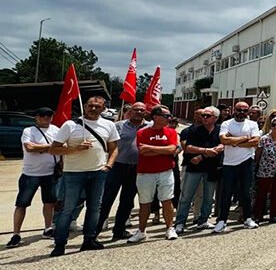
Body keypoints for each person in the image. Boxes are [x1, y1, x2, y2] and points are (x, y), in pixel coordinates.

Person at [49, 95, 119, 257]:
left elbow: (114, 148)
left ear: (103, 109)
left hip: (98, 172)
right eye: (90, 106)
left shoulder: (108, 125)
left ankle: (89, 239)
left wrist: (109, 165)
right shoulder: (70, 125)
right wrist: (75, 149)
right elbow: (53, 149)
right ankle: (60, 243)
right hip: (73, 173)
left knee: (95, 208)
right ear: (85, 106)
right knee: (67, 209)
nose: (93, 109)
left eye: (97, 106)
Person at [7, 108, 60, 248]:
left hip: (50, 173)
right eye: (42, 115)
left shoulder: (56, 129)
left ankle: (48, 228)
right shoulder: (28, 131)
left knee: (49, 202)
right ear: (36, 117)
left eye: (49, 115)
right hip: (31, 174)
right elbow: (30, 147)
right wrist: (52, 147)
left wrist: (43, 148)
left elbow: (63, 147)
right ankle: (16, 234)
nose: (46, 117)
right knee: (22, 204)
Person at [128, 105, 180, 242]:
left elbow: (171, 149)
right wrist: (163, 149)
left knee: (167, 200)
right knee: (145, 202)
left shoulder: (171, 132)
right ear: (156, 117)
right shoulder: (142, 133)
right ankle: (141, 231)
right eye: (166, 116)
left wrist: (152, 148)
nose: (169, 118)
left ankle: (169, 228)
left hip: (166, 171)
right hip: (145, 173)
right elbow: (143, 151)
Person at [98, 101, 147, 240]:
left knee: (127, 201)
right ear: (130, 111)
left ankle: (119, 230)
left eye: (141, 110)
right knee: (107, 199)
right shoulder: (118, 126)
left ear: (145, 112)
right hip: (117, 166)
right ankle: (95, 231)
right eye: (135, 109)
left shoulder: (149, 127)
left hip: (137, 169)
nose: (138, 112)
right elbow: (109, 144)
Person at [213, 101, 260, 233]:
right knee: (226, 193)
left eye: (245, 111)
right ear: (234, 110)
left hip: (247, 162)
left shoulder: (253, 124)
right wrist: (245, 138)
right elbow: (223, 140)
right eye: (239, 110)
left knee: (246, 192)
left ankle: (247, 218)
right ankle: (222, 221)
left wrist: (234, 141)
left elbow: (255, 142)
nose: (241, 113)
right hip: (229, 163)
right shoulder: (226, 124)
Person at [175, 107, 223, 233]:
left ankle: (203, 221)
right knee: (186, 197)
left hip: (211, 168)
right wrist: (205, 151)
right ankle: (180, 223)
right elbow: (188, 147)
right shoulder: (194, 130)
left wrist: (202, 156)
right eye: (203, 116)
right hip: (194, 168)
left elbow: (222, 146)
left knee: (208, 197)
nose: (204, 118)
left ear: (216, 118)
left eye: (208, 116)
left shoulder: (220, 130)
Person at [253, 116, 276, 223]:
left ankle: (274, 215)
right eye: (274, 125)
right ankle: (258, 215)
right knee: (261, 194)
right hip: (265, 170)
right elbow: (258, 154)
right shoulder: (264, 139)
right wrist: (257, 165)